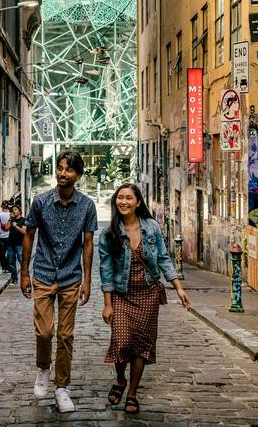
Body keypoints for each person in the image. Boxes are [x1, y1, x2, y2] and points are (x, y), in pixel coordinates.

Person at [98, 183, 190, 414]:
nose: (124, 202)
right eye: (120, 198)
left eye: (129, 198)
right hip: (121, 295)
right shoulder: (109, 234)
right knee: (121, 342)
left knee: (141, 347)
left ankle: (132, 393)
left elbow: (163, 258)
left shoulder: (151, 227)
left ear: (138, 202)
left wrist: (178, 287)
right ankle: (120, 380)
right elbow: (106, 269)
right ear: (115, 201)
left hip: (148, 294)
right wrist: (107, 304)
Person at [21, 151, 97, 413]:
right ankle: (43, 368)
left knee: (66, 335)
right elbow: (29, 236)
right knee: (44, 332)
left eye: (69, 170)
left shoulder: (87, 206)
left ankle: (62, 387)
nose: (63, 174)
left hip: (70, 278)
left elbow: (88, 244)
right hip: (42, 274)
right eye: (60, 169)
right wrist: (23, 273)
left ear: (78, 175)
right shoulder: (40, 203)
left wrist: (88, 280)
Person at [7, 204, 26, 284]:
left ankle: (24, 278)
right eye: (13, 210)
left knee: (22, 262)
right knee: (11, 262)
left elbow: (23, 231)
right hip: (10, 244)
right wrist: (9, 220)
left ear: (19, 211)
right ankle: (15, 279)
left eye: (15, 210)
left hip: (19, 245)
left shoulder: (23, 220)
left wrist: (16, 226)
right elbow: (6, 228)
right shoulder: (11, 220)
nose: (14, 211)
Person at [0, 201, 12, 273]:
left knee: (2, 253)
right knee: (9, 253)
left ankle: (4, 268)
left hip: (1, 236)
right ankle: (9, 267)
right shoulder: (10, 215)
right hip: (9, 236)